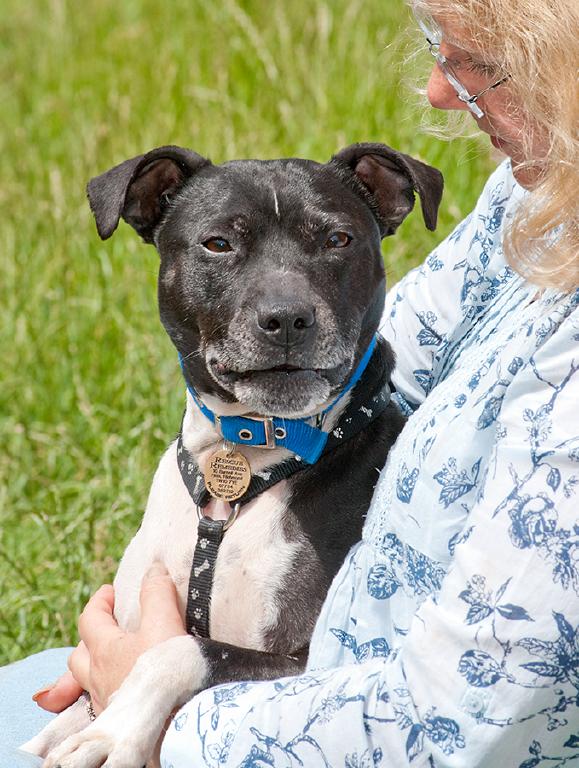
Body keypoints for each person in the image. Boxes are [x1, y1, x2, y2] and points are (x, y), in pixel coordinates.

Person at [4, 0, 578, 764]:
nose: (284, 308)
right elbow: (411, 330)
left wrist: (156, 698)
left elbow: (459, 723)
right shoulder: (541, 195)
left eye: (476, 69)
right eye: (219, 245)